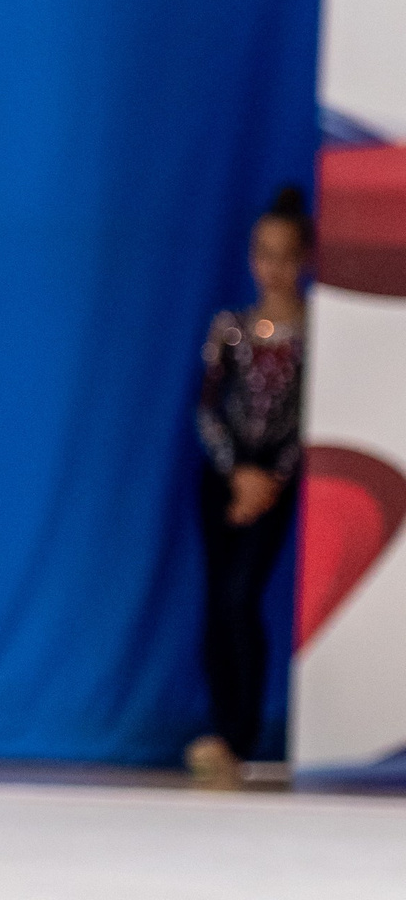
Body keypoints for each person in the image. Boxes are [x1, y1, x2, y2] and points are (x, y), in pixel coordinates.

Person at [188, 185, 313, 786]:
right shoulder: (231, 327)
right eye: (264, 254)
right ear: (250, 258)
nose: (274, 268)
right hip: (224, 473)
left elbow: (312, 421)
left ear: (305, 259)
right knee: (218, 601)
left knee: (242, 598)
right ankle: (221, 733)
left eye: (287, 256)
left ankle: (242, 733)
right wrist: (236, 472)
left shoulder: (316, 335)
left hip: (277, 478)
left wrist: (270, 479)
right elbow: (207, 408)